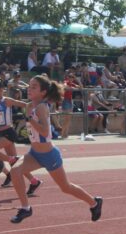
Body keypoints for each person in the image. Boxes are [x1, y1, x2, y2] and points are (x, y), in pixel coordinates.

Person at [9, 74, 103, 223]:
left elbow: (46, 132)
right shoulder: (29, 105)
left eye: (34, 87)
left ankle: (94, 202)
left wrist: (29, 120)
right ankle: (26, 208)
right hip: (34, 153)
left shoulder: (41, 107)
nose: (29, 89)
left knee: (65, 187)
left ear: (43, 92)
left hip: (49, 155)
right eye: (29, 86)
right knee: (15, 171)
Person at [0, 79, 42, 192]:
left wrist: (37, 110)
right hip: (1, 133)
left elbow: (25, 105)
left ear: (1, 90)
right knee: (15, 165)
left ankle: (13, 158)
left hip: (9, 133)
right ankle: (34, 181)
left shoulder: (6, 101)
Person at [61, 73, 81, 138]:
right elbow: (65, 86)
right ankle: (62, 133)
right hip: (65, 100)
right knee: (66, 118)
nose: (71, 78)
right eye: (70, 77)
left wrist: (78, 80)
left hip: (70, 101)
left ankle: (66, 133)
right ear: (67, 77)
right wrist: (71, 88)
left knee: (69, 119)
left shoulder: (72, 83)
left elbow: (81, 87)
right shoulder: (66, 82)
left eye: (72, 77)